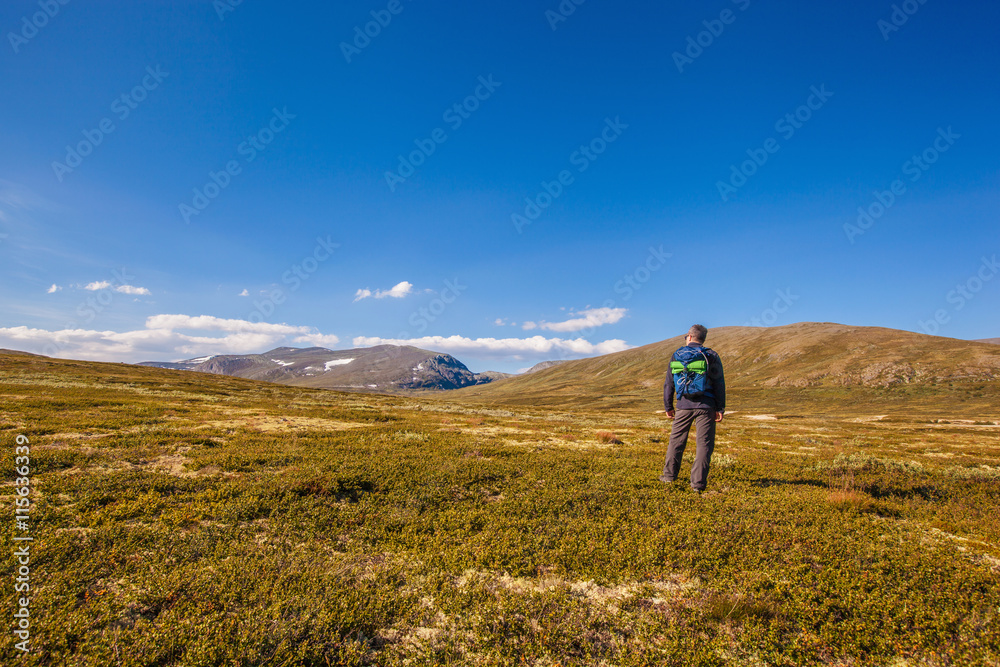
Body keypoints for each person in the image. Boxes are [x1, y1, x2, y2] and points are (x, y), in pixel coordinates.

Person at [660, 324, 726, 492]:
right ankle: (697, 485)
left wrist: (668, 405)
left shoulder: (677, 355)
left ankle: (669, 476)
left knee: (676, 441)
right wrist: (720, 408)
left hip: (683, 405)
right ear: (703, 339)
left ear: (689, 337)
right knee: (704, 445)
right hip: (707, 405)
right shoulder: (711, 355)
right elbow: (719, 383)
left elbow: (669, 383)